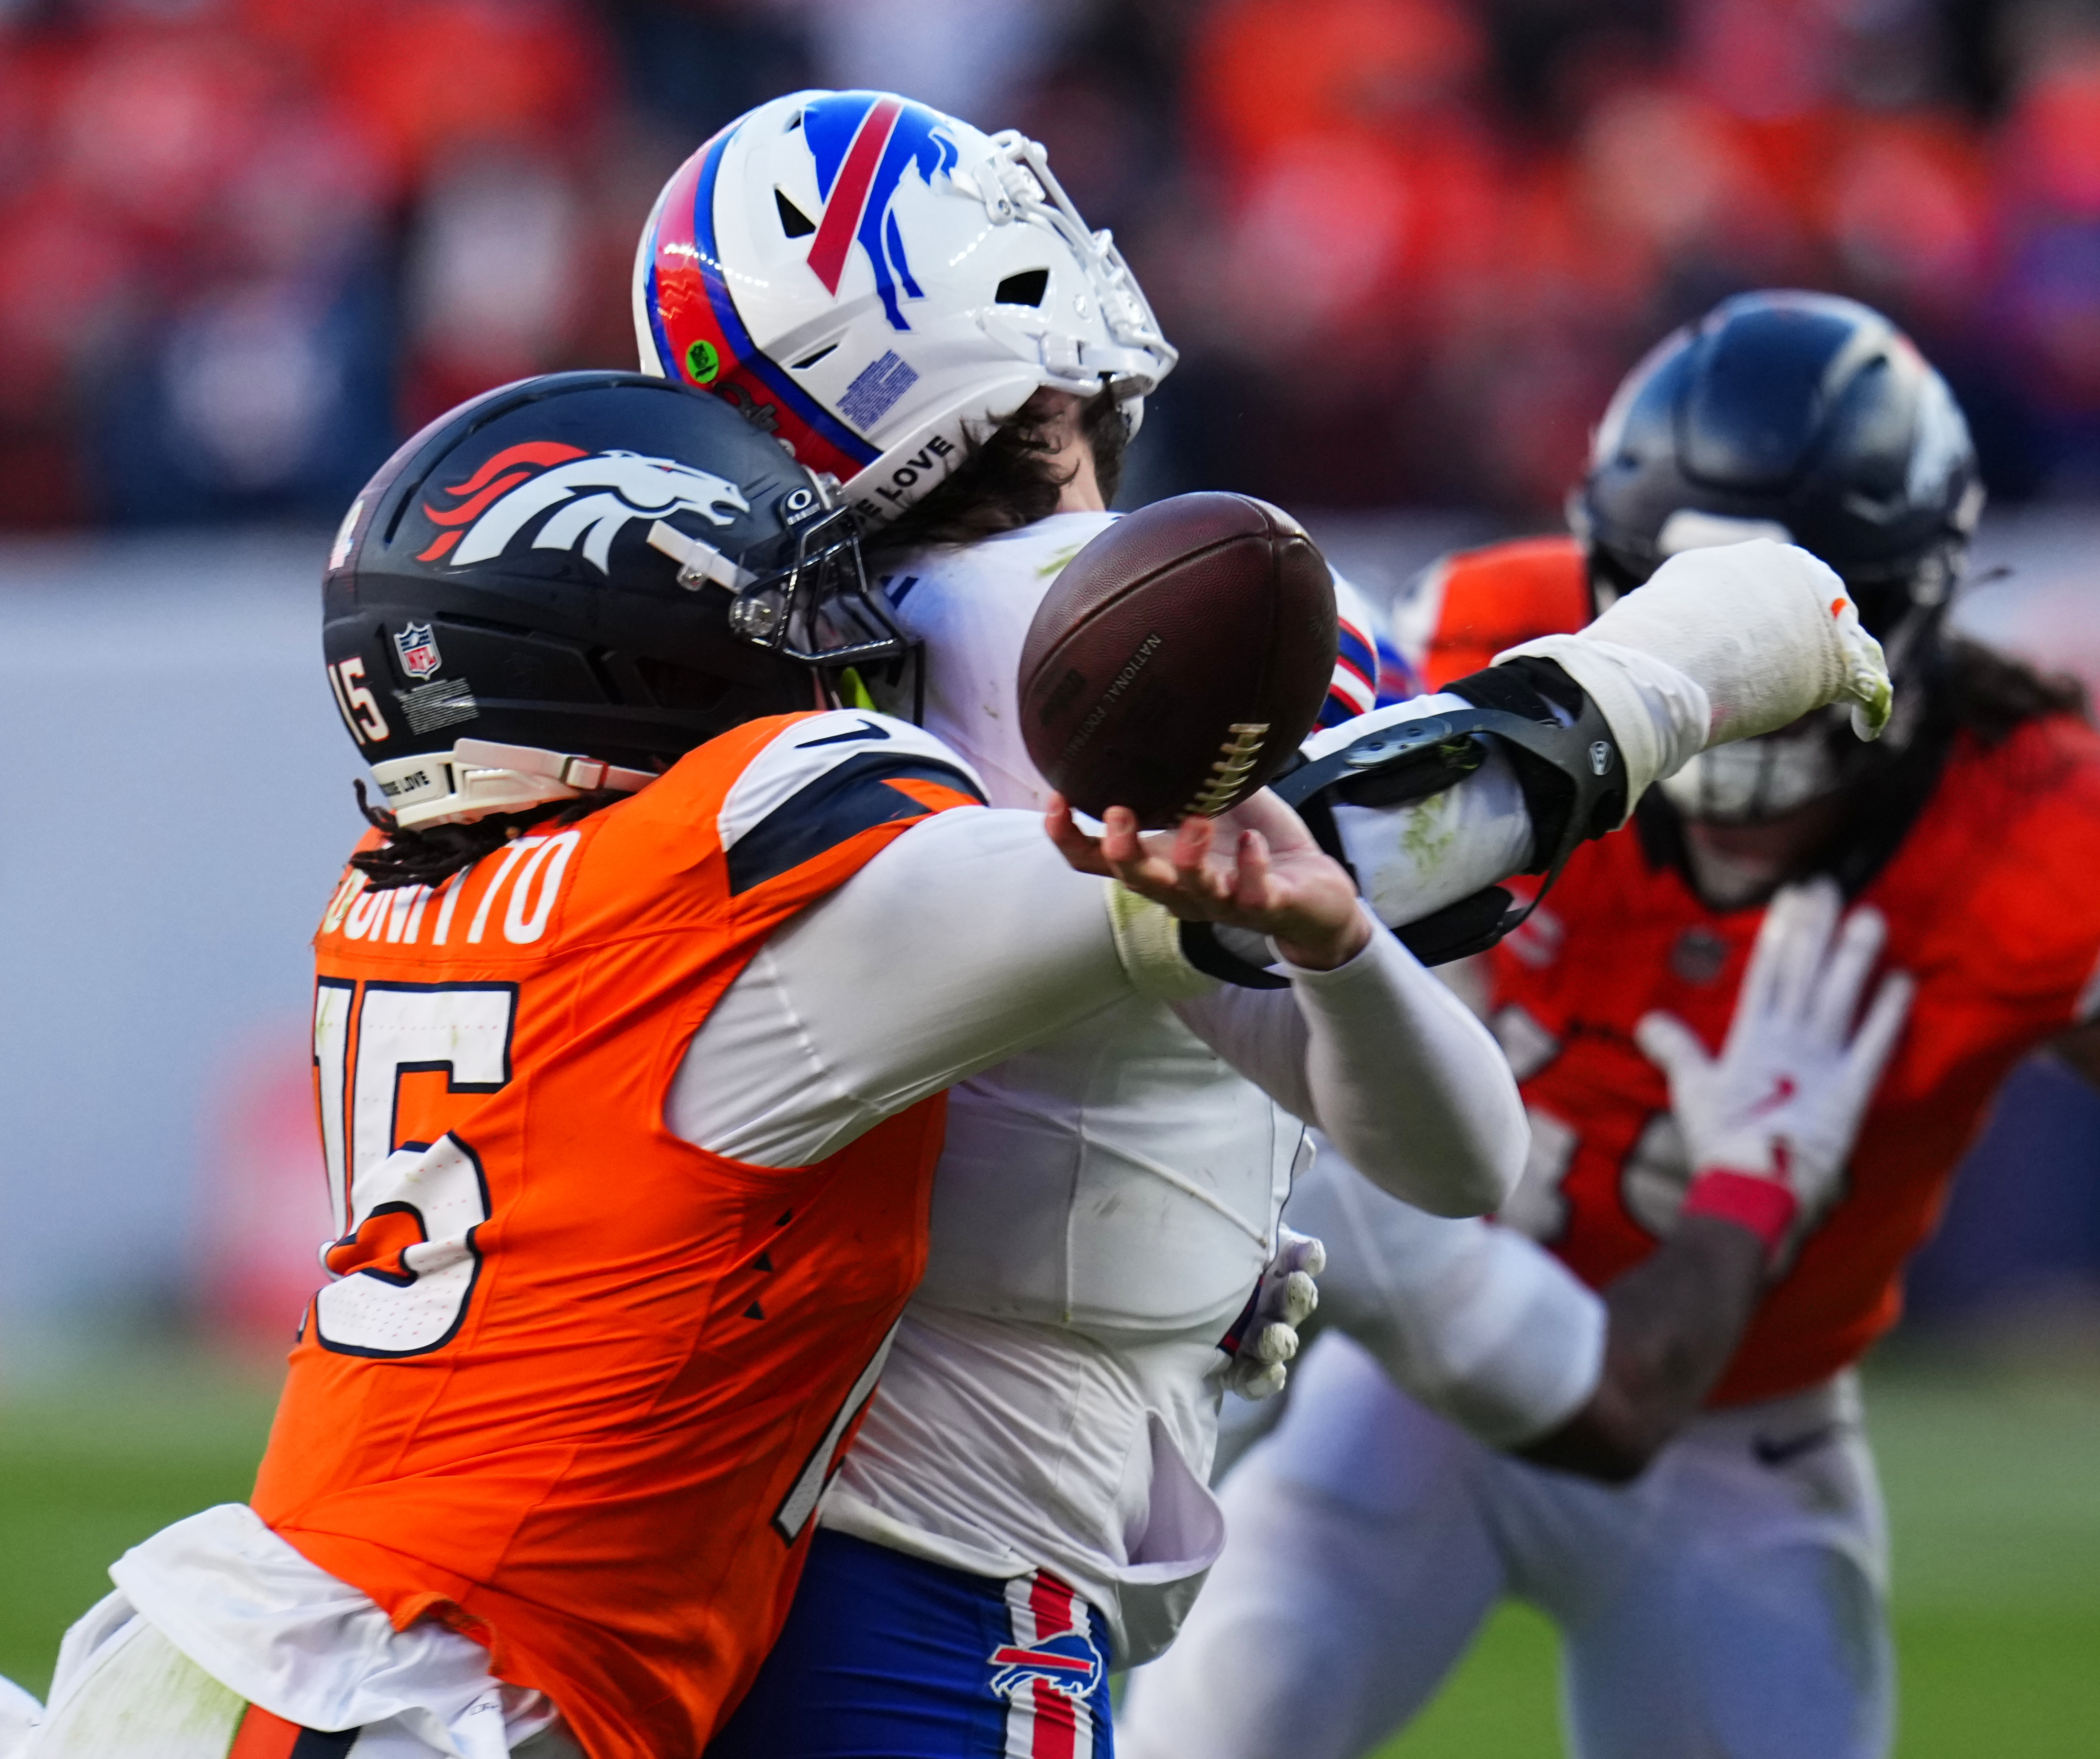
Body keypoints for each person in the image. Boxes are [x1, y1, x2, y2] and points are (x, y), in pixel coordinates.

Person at [0, 368, 1552, 1759]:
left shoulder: (400, 886)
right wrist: (1669, 672)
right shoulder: (733, 872)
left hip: (304, 1644)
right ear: (620, 642)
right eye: (758, 613)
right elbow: (1279, 949)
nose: (812, 652)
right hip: (443, 1705)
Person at [639, 96, 1895, 1756]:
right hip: (947, 1546)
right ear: (992, 296)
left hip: (681, 1495)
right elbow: (1386, 851)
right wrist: (1694, 656)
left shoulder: (703, 673)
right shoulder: (1126, 619)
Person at [1121, 291, 2100, 1759]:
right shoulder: (1488, 654)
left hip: (1744, 1442)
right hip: (1432, 1386)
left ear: (1918, 603)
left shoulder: (2036, 828)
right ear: (1606, 581)